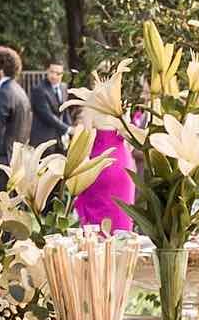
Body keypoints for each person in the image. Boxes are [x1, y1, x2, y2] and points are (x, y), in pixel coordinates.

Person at [71, 90, 139, 234]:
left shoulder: (91, 105)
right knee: (121, 214)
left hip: (99, 163)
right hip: (121, 163)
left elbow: (85, 138)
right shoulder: (121, 105)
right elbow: (129, 142)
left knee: (96, 222)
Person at [0, 45, 32, 205]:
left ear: (1, 69)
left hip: (1, 166)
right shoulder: (20, 91)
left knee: (0, 213)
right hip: (16, 164)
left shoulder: (3, 93)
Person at [27, 61, 71, 151]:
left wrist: (70, 130)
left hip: (60, 139)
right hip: (43, 139)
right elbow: (47, 115)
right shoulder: (39, 89)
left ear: (62, 75)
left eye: (58, 73)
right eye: (52, 72)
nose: (54, 76)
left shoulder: (64, 87)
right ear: (47, 71)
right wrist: (67, 129)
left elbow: (65, 111)